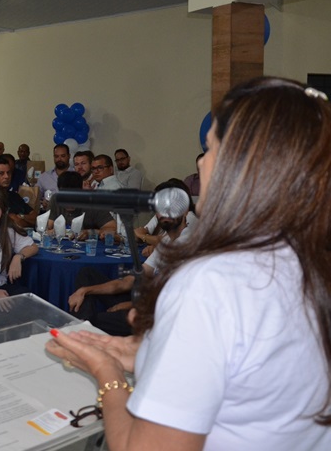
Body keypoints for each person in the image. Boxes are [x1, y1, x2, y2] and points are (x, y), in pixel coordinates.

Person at [47, 77, 331, 451]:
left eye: (209, 148)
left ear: (242, 168)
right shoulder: (307, 262)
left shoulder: (211, 282)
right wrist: (146, 355)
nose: (200, 162)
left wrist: (108, 375)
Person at [67, 179, 195, 336]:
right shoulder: (167, 241)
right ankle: (82, 327)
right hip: (144, 300)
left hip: (159, 316)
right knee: (87, 275)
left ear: (185, 210)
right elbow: (129, 281)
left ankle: (82, 331)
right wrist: (85, 290)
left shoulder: (190, 243)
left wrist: (131, 305)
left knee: (95, 320)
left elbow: (173, 299)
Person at [0, 156, 37, 229]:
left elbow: (35, 218)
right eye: (1, 173)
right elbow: (15, 223)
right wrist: (27, 221)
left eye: (8, 173)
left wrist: (21, 216)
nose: (6, 176)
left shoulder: (14, 196)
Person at [36, 144, 71, 208]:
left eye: (63, 156)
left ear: (69, 156)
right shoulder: (44, 177)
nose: (59, 159)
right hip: (49, 213)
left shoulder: (76, 175)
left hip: (71, 214)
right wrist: (42, 203)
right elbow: (36, 198)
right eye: (56, 156)